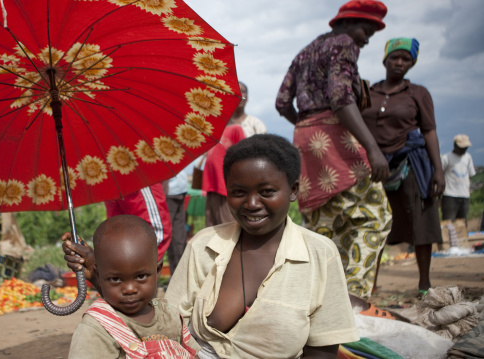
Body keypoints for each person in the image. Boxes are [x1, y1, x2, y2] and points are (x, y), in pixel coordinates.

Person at [63, 134, 359, 359]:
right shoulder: (205, 245)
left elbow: (323, 349)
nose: (252, 204)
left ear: (292, 190)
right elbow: (161, 321)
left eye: (267, 192)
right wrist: (101, 277)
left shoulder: (320, 255)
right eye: (238, 193)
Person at [275, 0, 393, 316]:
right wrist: (372, 148)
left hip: (305, 139)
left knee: (325, 227)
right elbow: (341, 98)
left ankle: (322, 304)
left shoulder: (306, 51)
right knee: (375, 217)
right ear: (346, 23)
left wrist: (308, 127)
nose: (366, 40)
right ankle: (353, 302)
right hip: (334, 139)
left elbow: (282, 102)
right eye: (365, 30)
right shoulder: (344, 43)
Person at [361, 37, 445, 294]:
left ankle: (424, 283)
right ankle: (370, 285)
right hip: (373, 167)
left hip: (410, 164)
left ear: (412, 63)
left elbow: (429, 131)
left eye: (405, 59)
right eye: (394, 57)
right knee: (373, 223)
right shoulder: (369, 91)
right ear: (385, 59)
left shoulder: (418, 93)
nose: (399, 63)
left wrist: (438, 170)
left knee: (420, 221)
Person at [68, 214, 200, 359]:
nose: (130, 289)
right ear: (98, 275)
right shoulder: (96, 329)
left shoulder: (170, 316)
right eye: (116, 279)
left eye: (141, 276)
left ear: (157, 271)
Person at [104, 183, 172, 262]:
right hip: (132, 177)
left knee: (117, 234)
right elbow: (158, 232)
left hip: (114, 178)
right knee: (155, 234)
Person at [202, 121, 245, 227]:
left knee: (228, 228)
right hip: (211, 188)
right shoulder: (212, 131)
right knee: (211, 229)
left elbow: (244, 156)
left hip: (225, 188)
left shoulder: (235, 129)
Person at [441, 134, 476, 224]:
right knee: (448, 224)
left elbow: (471, 174)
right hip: (450, 195)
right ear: (455, 145)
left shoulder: (468, 158)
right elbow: (440, 174)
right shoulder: (446, 158)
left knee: (462, 224)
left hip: (464, 196)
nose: (464, 149)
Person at [165, 170, 189, 274]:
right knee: (177, 235)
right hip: (179, 187)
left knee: (172, 235)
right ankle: (179, 276)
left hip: (172, 190)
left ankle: (177, 276)